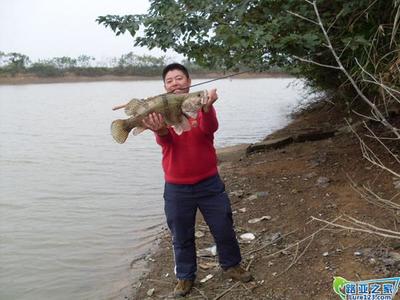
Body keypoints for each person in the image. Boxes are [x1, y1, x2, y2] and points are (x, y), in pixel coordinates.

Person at [142, 63, 252, 297]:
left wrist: (207, 108)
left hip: (209, 183)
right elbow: (166, 143)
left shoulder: (198, 106)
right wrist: (159, 130)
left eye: (179, 78)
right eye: (170, 80)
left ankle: (232, 265)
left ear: (189, 81)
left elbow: (209, 129)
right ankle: (185, 276)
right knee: (180, 235)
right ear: (165, 87)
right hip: (176, 188)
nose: (175, 83)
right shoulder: (162, 112)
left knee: (223, 227)